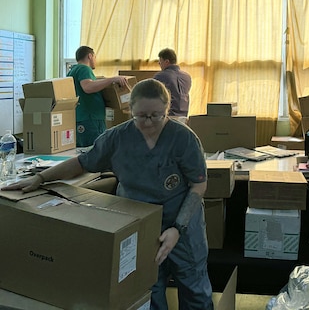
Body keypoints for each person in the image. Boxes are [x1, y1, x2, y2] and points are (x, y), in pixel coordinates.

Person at [4, 78, 213, 310]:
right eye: (141, 116)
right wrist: (40, 178)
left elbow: (198, 186)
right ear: (130, 109)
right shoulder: (117, 138)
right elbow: (82, 163)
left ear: (167, 109)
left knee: (194, 288)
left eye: (157, 115)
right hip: (141, 226)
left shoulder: (183, 138)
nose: (150, 122)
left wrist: (178, 228)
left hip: (182, 224)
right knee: (147, 291)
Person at [67, 46, 129, 147]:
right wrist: (112, 79)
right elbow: (88, 87)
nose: (95, 61)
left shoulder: (72, 71)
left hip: (81, 117)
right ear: (90, 56)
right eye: (95, 57)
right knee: (96, 149)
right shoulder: (84, 69)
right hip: (90, 118)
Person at [154, 48, 192, 117]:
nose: (159, 63)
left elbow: (150, 95)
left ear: (166, 62)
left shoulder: (161, 76)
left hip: (168, 116)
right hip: (183, 117)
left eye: (160, 61)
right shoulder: (187, 77)